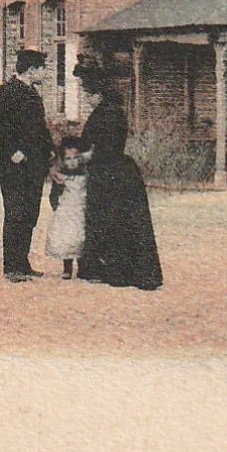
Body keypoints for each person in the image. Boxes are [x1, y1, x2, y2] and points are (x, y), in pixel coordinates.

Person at [70, 57, 163, 291]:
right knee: (120, 221)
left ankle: (115, 270)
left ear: (97, 94)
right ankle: (117, 268)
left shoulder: (106, 114)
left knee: (111, 221)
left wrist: (84, 157)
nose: (86, 100)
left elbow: (104, 147)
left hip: (110, 173)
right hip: (117, 171)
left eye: (88, 94)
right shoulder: (111, 111)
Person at [0, 49, 53, 281]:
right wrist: (11, 151)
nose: (45, 74)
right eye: (43, 68)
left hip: (34, 166)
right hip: (12, 166)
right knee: (15, 212)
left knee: (30, 213)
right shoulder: (3, 94)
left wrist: (50, 152)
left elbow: (38, 131)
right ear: (32, 70)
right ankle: (11, 266)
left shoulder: (33, 94)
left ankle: (22, 263)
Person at [45, 145, 90, 279]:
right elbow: (53, 195)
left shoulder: (85, 176)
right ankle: (67, 267)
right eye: (68, 159)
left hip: (81, 209)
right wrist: (57, 206)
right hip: (67, 210)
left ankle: (83, 268)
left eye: (75, 158)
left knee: (82, 237)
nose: (72, 162)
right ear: (63, 161)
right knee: (68, 238)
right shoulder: (60, 177)